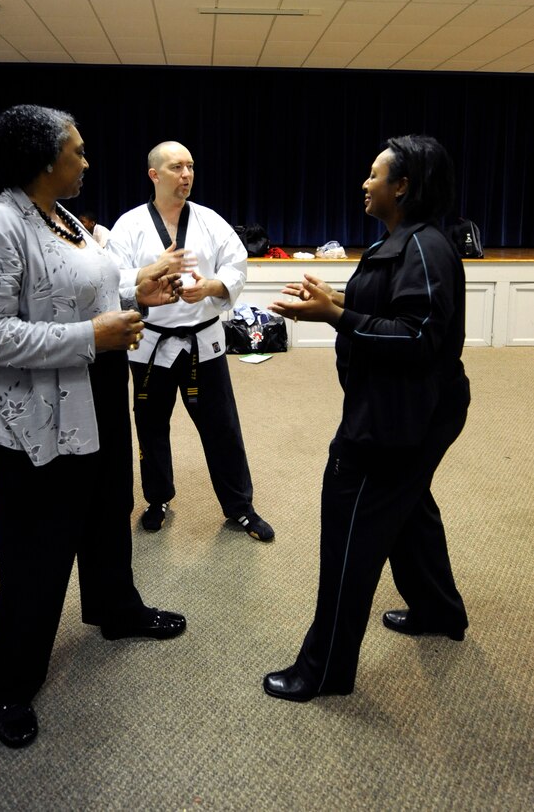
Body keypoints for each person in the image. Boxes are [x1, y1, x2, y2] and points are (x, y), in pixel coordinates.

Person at [0, 105, 186, 749]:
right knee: (38, 548)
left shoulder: (65, 218)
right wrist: (90, 335)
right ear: (44, 159)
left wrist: (135, 292)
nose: (86, 161)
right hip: (34, 416)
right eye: (76, 151)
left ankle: (115, 609)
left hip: (96, 388)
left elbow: (82, 287)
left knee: (107, 513)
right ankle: (10, 683)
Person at [264, 135, 470, 700]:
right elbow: (392, 309)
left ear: (402, 186)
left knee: (351, 528)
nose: (365, 183)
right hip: (408, 410)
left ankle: (323, 670)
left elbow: (417, 337)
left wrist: (336, 316)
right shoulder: (404, 243)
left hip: (396, 420)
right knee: (406, 507)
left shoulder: (424, 248)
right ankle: (438, 609)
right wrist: (336, 299)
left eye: (375, 175)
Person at [108, 140, 274, 541]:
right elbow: (111, 277)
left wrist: (211, 287)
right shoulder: (129, 225)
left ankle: (240, 507)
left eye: (191, 167)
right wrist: (150, 272)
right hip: (151, 345)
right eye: (177, 167)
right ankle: (157, 499)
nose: (186, 175)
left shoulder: (210, 221)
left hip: (204, 342)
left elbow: (235, 265)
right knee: (150, 426)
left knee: (222, 427)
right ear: (154, 174)